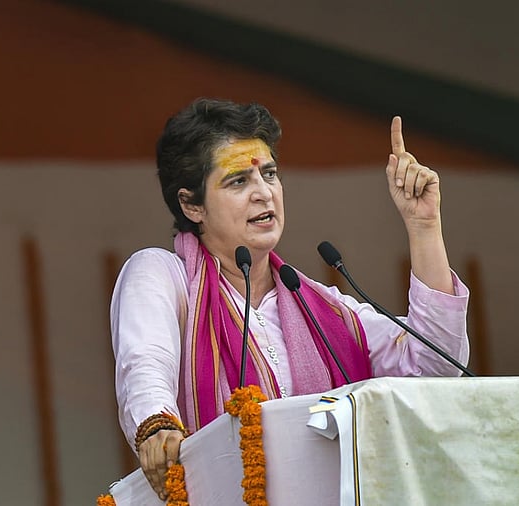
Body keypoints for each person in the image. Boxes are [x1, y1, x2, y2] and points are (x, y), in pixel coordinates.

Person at [110, 98, 470, 499]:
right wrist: (156, 424)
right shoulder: (164, 276)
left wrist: (424, 227)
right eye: (238, 181)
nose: (264, 193)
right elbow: (145, 362)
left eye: (269, 174)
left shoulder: (325, 310)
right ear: (191, 204)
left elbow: (436, 365)